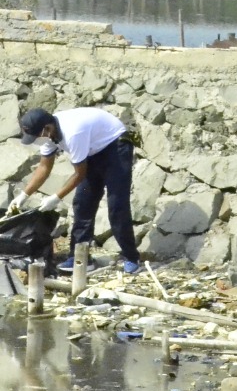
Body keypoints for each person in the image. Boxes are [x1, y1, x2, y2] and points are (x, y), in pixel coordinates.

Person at [9, 106, 140, 274]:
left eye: (36, 136)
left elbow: (79, 174)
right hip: (92, 149)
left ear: (47, 129)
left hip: (115, 146)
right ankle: (81, 258)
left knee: (117, 205)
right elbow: (43, 167)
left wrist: (56, 197)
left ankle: (132, 257)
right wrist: (23, 195)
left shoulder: (73, 133)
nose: (36, 140)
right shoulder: (50, 135)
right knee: (82, 203)